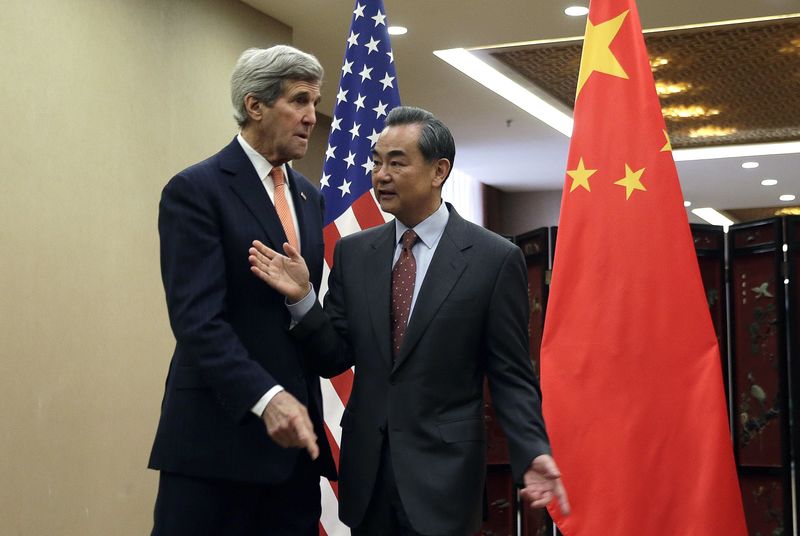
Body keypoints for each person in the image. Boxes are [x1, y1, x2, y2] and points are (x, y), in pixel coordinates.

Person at [249, 105, 569, 536]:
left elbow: (511, 374)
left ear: (438, 171)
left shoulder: (494, 259)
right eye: (376, 162)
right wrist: (304, 299)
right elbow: (335, 356)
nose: (380, 175)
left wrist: (531, 451)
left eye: (397, 162)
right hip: (369, 477)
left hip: (445, 480)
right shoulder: (354, 253)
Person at [148, 45, 336, 536]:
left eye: (314, 103)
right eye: (298, 101)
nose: (311, 117)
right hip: (215, 447)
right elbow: (197, 322)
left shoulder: (310, 200)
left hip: (292, 463)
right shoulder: (196, 189)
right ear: (255, 105)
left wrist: (304, 300)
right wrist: (265, 396)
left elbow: (297, 317)